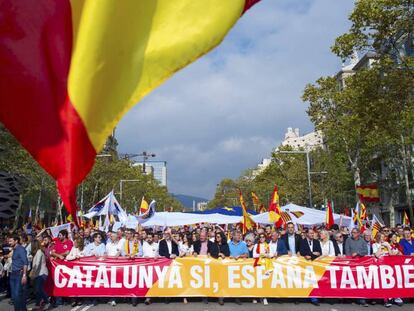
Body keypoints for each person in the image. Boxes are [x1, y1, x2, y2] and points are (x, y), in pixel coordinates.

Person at [344, 228, 368, 306]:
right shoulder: (348, 240)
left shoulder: (362, 241)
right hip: (351, 263)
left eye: (354, 232)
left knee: (360, 282)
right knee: (351, 282)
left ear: (358, 233)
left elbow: (365, 251)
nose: (352, 234)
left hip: (361, 264)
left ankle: (361, 299)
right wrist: (350, 258)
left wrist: (358, 253)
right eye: (352, 232)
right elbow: (347, 251)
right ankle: (351, 298)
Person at [299, 228, 321, 306]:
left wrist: (310, 254)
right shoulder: (302, 241)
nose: (312, 234)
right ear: (307, 234)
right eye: (311, 233)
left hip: (315, 264)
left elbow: (319, 252)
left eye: (313, 233)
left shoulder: (316, 241)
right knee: (306, 282)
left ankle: (314, 298)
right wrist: (312, 253)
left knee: (314, 282)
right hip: (305, 264)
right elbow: (302, 252)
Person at [8, 235, 28, 311]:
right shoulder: (14, 249)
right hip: (13, 274)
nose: (9, 243)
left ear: (16, 241)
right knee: (14, 296)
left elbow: (25, 263)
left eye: (11, 241)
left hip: (19, 274)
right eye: (9, 241)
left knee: (17, 295)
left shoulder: (21, 249)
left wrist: (24, 275)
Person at [228, 231, 248, 305]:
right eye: (237, 235)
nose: (239, 237)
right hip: (229, 266)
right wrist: (229, 256)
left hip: (240, 266)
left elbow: (246, 254)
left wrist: (240, 256)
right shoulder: (229, 244)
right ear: (233, 236)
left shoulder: (243, 244)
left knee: (238, 282)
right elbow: (227, 254)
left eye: (239, 235)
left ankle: (237, 298)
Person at [29, 240, 50, 310]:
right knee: (38, 289)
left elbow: (37, 264)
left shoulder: (39, 252)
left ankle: (47, 302)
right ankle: (40, 303)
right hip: (38, 273)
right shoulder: (37, 252)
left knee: (39, 289)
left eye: (32, 245)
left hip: (42, 273)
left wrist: (32, 273)